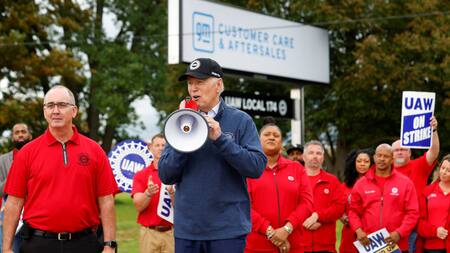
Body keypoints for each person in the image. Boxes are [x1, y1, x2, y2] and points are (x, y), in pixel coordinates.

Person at [158, 58, 267, 253]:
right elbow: (166, 174)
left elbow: (256, 167)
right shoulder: (178, 121)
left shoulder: (241, 121)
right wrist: (184, 139)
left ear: (218, 85)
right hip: (187, 231)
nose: (193, 89)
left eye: (200, 82)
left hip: (227, 232)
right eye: (190, 83)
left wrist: (221, 139)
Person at [2, 85, 118, 253]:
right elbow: (14, 202)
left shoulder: (95, 151)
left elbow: (106, 200)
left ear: (74, 111)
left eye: (62, 105)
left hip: (84, 243)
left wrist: (109, 245)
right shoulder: (27, 152)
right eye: (50, 105)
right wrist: (6, 248)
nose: (55, 110)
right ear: (44, 111)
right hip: (38, 244)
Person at [245, 123, 313, 253]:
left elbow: (307, 203)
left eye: (276, 135)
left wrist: (287, 229)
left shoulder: (297, 168)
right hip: (256, 246)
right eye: (267, 134)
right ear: (258, 141)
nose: (271, 137)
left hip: (293, 245)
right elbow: (244, 206)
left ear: (281, 144)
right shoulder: (248, 169)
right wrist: (270, 232)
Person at [349, 144, 419, 253]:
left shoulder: (405, 183)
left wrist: (399, 233)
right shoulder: (361, 184)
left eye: (386, 156)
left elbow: (413, 213)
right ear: (374, 158)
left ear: (392, 159)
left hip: (397, 245)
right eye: (379, 155)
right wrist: (358, 230)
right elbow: (353, 211)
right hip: (369, 244)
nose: (381, 159)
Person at [392, 116, 439, 252]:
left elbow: (434, 152)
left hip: (412, 226)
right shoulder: (384, 170)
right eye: (396, 150)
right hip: (389, 226)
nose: (400, 152)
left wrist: (434, 130)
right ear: (391, 154)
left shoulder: (419, 165)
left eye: (403, 149)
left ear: (410, 152)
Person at [132, 133, 174, 253]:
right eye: (157, 145)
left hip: (172, 233)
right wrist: (148, 194)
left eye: (164, 145)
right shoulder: (141, 175)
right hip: (149, 233)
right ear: (150, 147)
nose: (161, 148)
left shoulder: (177, 173)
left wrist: (172, 194)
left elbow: (182, 208)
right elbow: (138, 206)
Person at [301, 140, 345, 253]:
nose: (315, 156)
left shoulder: (332, 181)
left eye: (318, 153)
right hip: (299, 245)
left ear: (323, 158)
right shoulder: (295, 179)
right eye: (311, 153)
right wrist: (305, 221)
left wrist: (318, 216)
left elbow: (339, 208)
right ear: (303, 156)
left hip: (326, 246)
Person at [0, 123, 33, 252]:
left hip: (33, 211)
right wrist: (15, 174)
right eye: (17, 132)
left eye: (23, 132)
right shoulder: (3, 160)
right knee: (10, 248)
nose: (20, 134)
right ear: (12, 137)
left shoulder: (38, 157)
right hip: (9, 211)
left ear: (30, 136)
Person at [339, 149, 373, 253]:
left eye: (366, 161)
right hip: (350, 233)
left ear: (372, 163)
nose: (362, 164)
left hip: (371, 232)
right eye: (359, 161)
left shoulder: (377, 184)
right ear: (353, 163)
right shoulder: (345, 186)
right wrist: (342, 216)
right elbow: (339, 207)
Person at [417, 154, 450, 253]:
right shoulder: (427, 191)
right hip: (432, 247)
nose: (444, 172)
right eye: (443, 168)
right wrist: (434, 231)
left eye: (449, 170)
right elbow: (419, 222)